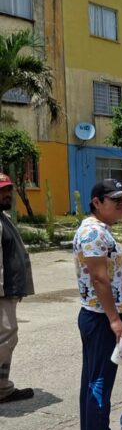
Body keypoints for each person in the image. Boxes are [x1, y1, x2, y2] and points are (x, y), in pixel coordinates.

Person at [74, 179, 122, 430]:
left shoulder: (97, 230)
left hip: (99, 315)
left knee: (93, 380)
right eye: (115, 199)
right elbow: (99, 279)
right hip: (101, 317)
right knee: (100, 383)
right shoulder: (94, 233)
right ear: (96, 202)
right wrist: (114, 319)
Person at [0, 173, 35, 404]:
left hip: (7, 292)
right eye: (3, 190)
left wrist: (17, 287)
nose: (8, 194)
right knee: (5, 337)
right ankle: (2, 389)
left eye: (9, 189)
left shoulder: (3, 217)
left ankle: (2, 386)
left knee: (7, 338)